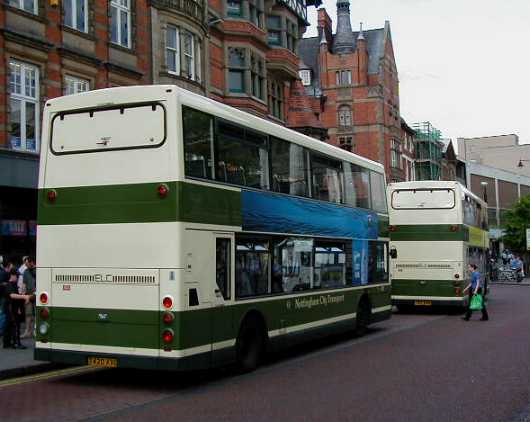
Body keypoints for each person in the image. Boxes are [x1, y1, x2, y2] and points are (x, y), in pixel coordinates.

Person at [3, 268, 32, 349]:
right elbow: (12, 295)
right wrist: (24, 296)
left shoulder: (13, 285)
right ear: (13, 275)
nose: (18, 278)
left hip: (12, 308)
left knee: (9, 326)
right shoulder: (9, 285)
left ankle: (7, 343)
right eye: (17, 276)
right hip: (11, 308)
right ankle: (16, 343)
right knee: (15, 325)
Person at [20, 257, 36, 339]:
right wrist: (23, 295)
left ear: (32, 262)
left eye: (27, 264)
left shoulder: (37, 270)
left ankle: (35, 331)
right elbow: (24, 284)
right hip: (28, 295)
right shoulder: (25, 272)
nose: (26, 266)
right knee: (28, 314)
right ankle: (27, 331)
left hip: (37, 295)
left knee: (37, 314)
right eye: (25, 264)